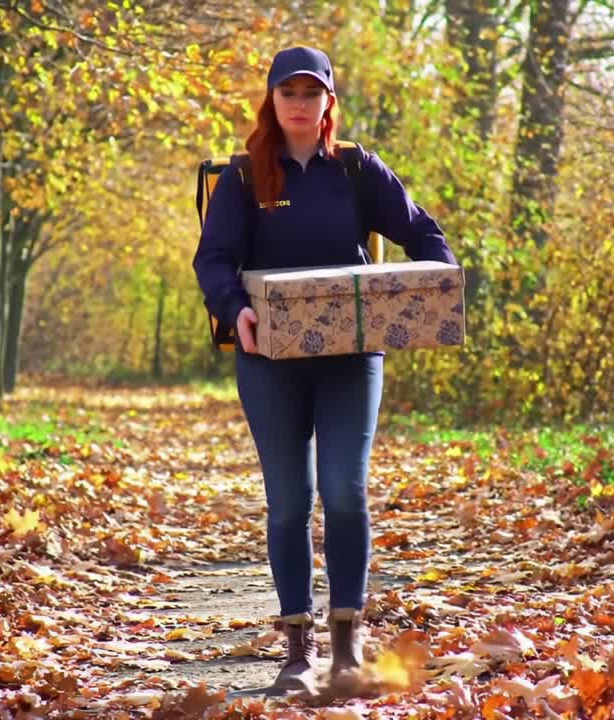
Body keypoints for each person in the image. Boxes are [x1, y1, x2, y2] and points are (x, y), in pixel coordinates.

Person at [192, 45, 458, 694]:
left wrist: (421, 294)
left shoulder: (360, 172)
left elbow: (427, 238)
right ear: (272, 101)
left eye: (312, 94)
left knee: (343, 491)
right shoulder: (244, 178)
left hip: (350, 360)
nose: (301, 105)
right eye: (290, 93)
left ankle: (346, 644)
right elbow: (214, 260)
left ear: (328, 102)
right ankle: (296, 654)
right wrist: (237, 311)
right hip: (270, 361)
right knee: (289, 502)